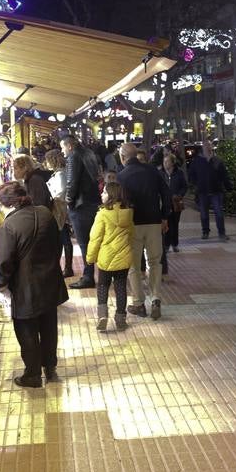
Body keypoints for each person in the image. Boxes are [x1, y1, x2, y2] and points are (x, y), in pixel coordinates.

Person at [0, 181, 68, 388]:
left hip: (25, 285)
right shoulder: (44, 213)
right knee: (49, 326)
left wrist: (1, 284)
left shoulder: (9, 225)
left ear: (8, 203)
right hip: (50, 280)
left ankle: (32, 374)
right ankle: (50, 366)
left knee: (26, 329)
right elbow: (57, 244)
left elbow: (4, 261)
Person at [116, 141, 171, 321]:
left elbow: (119, 203)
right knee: (155, 262)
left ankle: (139, 303)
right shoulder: (152, 171)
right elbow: (166, 194)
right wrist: (164, 217)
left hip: (133, 224)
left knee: (133, 265)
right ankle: (155, 298)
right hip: (154, 221)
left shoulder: (122, 175)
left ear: (123, 157)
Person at [85, 182, 134, 332]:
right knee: (121, 288)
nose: (101, 194)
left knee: (102, 286)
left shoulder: (102, 214)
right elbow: (132, 235)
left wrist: (90, 258)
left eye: (104, 193)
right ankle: (120, 318)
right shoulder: (128, 212)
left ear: (111, 196)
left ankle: (102, 316)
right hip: (124, 259)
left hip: (106, 258)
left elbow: (95, 238)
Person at [61, 135, 102, 289]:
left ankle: (88, 276)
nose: (62, 151)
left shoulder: (73, 157)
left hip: (80, 204)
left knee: (84, 243)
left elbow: (72, 182)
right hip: (93, 201)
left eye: (63, 147)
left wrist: (69, 201)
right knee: (94, 241)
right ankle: (96, 274)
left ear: (69, 146)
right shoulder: (89, 153)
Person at [187, 140, 231, 241]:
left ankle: (222, 233)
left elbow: (224, 175)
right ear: (202, 148)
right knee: (204, 213)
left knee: (219, 213)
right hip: (202, 192)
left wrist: (228, 187)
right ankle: (205, 232)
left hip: (216, 191)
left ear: (212, 148)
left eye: (209, 146)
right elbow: (191, 174)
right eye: (205, 146)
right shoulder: (197, 161)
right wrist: (196, 184)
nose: (207, 148)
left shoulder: (217, 160)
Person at [44, 149, 75, 278]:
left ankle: (67, 268)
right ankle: (64, 267)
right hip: (59, 209)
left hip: (59, 209)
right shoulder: (59, 173)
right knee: (62, 238)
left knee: (63, 238)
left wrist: (51, 196)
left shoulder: (61, 174)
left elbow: (61, 191)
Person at [161, 153, 187, 255]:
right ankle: (166, 244)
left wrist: (179, 195)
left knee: (175, 224)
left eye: (167, 161)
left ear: (172, 163)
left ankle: (175, 244)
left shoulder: (179, 173)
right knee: (166, 223)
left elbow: (184, 186)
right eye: (164, 162)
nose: (165, 164)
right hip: (164, 203)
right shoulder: (161, 173)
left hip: (175, 203)